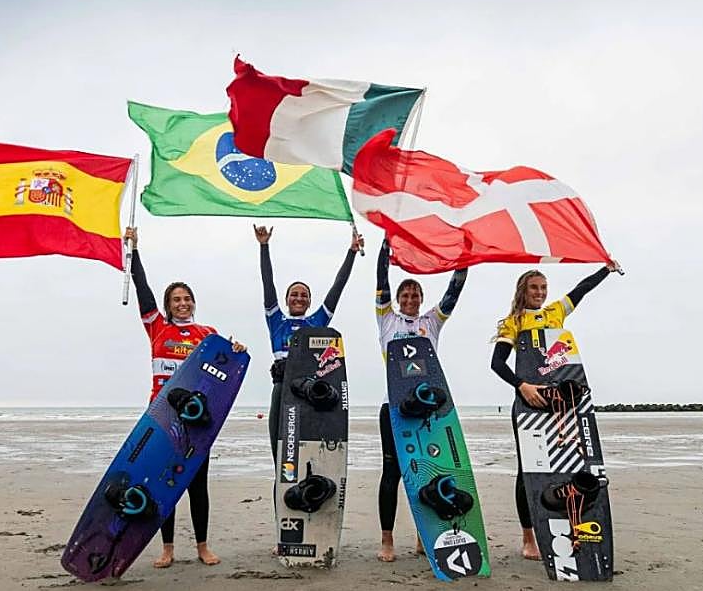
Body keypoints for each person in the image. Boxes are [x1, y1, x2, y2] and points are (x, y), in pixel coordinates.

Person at [124, 226, 247, 569]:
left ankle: (203, 546)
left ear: (193, 302)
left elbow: (227, 368)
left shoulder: (207, 335)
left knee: (197, 484)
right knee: (164, 484)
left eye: (186, 298)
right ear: (167, 306)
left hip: (197, 422)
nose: (182, 303)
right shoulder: (157, 328)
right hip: (162, 417)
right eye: (176, 300)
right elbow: (143, 291)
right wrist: (134, 252)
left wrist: (237, 349)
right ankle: (167, 549)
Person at [489, 262, 620, 560]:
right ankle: (528, 538)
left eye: (543, 288)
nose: (540, 293)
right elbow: (497, 364)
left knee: (567, 466)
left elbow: (581, 290)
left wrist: (606, 269)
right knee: (528, 472)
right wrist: (522, 386)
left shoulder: (555, 313)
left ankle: (570, 528)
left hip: (561, 403)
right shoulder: (514, 322)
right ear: (523, 290)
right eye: (534, 288)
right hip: (529, 404)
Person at [375, 239, 468, 562]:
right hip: (394, 408)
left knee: (427, 472)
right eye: (406, 295)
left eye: (415, 295)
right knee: (393, 474)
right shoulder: (387, 319)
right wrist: (385, 247)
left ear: (421, 299)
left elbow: (453, 294)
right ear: (399, 300)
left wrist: (464, 259)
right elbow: (381, 283)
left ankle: (422, 535)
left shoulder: (432, 322)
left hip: (428, 409)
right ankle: (387, 540)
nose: (410, 299)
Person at [255, 223, 363, 466]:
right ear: (286, 299)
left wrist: (352, 252)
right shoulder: (276, 320)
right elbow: (267, 283)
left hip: (309, 392)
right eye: (294, 294)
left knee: (306, 459)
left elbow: (338, 287)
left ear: (310, 300)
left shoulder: (317, 322)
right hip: (282, 389)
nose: (299, 298)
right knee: (281, 461)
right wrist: (264, 247)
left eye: (304, 295)